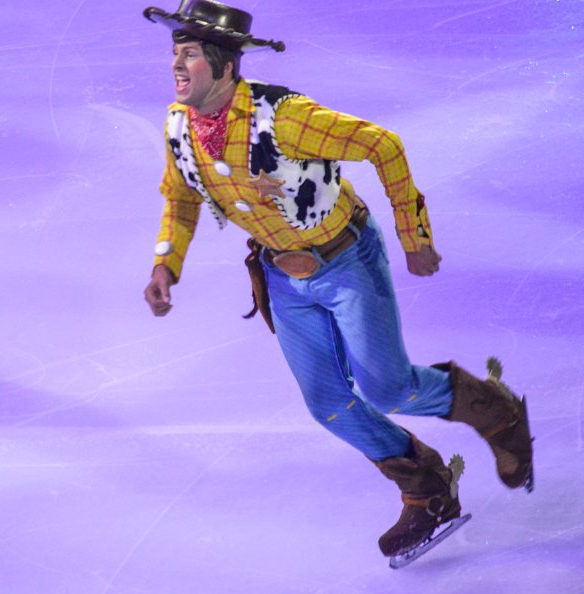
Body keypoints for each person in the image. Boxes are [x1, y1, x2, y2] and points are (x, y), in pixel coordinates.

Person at [140, 0, 534, 563]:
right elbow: (180, 198)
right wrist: (165, 263)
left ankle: (494, 410)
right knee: (327, 403)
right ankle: (426, 488)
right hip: (282, 276)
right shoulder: (179, 126)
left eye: (191, 54)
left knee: (388, 389)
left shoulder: (286, 118)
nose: (177, 65)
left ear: (225, 65)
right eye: (175, 53)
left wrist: (414, 235)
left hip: (346, 260)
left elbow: (382, 145)